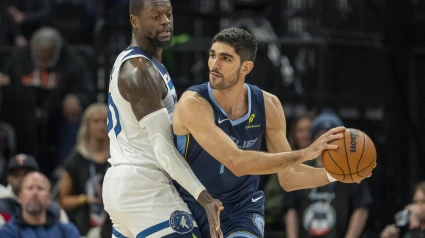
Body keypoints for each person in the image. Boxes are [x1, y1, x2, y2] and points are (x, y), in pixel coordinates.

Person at [172, 28, 370, 237]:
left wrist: (336, 174)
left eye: (226, 58)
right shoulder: (193, 103)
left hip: (240, 210)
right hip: (190, 205)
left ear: (245, 67)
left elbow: (289, 178)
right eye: (212, 55)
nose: (214, 65)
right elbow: (237, 162)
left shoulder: (268, 105)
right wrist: (306, 153)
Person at [101, 0, 223, 237]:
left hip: (130, 183)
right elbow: (163, 147)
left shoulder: (148, 64)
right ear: (134, 21)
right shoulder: (139, 70)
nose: (166, 21)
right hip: (144, 185)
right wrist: (204, 197)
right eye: (155, 16)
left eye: (168, 14)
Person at [283, 110, 373, 238]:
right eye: (322, 135)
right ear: (314, 139)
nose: (328, 142)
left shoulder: (351, 171)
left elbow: (361, 208)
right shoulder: (300, 169)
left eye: (333, 137)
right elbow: (291, 209)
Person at [59, 103, 110, 235]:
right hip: (83, 228)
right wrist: (85, 199)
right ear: (87, 125)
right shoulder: (75, 159)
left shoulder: (120, 156)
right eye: (96, 121)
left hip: (115, 228)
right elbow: (63, 200)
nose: (101, 126)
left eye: (105, 121)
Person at [0, 172, 79, 237]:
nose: (35, 193)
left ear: (49, 198)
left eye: (40, 188)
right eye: (30, 188)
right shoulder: (8, 232)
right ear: (20, 197)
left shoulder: (67, 231)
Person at [0, 153, 68, 227]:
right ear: (8, 179)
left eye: (27, 174)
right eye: (16, 175)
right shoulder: (2, 206)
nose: (21, 179)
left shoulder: (55, 211)